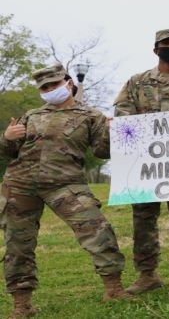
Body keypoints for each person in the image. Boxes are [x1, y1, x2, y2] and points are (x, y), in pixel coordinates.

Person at [0, 64, 133, 317]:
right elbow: (7, 153)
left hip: (65, 184)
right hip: (20, 184)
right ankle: (22, 305)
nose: (50, 90)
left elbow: (101, 152)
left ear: (68, 84)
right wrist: (7, 137)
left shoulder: (91, 115)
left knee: (98, 231)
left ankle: (113, 289)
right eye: (45, 87)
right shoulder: (32, 115)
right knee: (18, 245)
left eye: (54, 84)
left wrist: (109, 133)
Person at [113, 29, 169, 296]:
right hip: (143, 165)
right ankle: (147, 274)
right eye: (167, 44)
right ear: (156, 49)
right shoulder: (137, 83)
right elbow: (123, 115)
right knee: (143, 219)